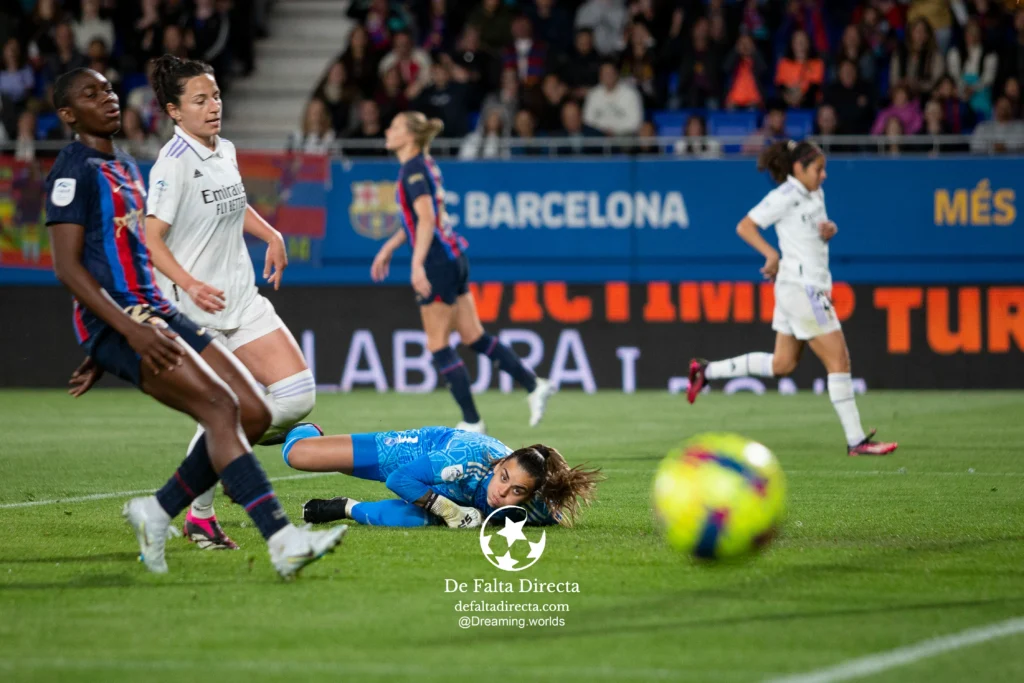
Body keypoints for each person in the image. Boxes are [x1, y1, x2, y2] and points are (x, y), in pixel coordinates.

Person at [45, 68, 345, 577]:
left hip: (160, 310)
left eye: (110, 89)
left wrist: (268, 232)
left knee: (251, 411)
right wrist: (121, 331)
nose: (109, 98)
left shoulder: (123, 167)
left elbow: (132, 255)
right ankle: (276, 537)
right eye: (92, 94)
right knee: (224, 410)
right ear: (69, 115)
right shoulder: (85, 168)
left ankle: (158, 510)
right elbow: (69, 266)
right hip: (156, 315)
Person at [142, 55, 318, 551]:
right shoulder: (172, 164)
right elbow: (151, 238)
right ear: (175, 111)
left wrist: (271, 233)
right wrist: (189, 284)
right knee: (225, 411)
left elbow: (233, 204)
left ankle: (239, 442)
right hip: (195, 314)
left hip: (241, 298)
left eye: (215, 95)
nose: (213, 106)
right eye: (200, 100)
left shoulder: (225, 150)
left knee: (299, 394)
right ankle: (199, 515)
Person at [686, 140, 898, 457]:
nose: (824, 175)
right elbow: (745, 226)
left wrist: (826, 231)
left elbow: (807, 232)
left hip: (796, 286)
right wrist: (770, 253)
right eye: (818, 169)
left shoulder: (814, 193)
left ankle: (705, 371)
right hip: (802, 287)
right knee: (839, 360)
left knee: (782, 364)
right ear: (798, 168)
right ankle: (857, 441)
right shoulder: (784, 195)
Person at [372, 111, 557, 433]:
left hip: (437, 262)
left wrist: (416, 264)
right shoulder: (425, 165)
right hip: (454, 256)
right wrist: (390, 247)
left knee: (438, 344)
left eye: (395, 126)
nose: (388, 130)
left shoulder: (412, 170)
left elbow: (427, 219)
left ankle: (472, 420)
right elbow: (421, 220)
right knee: (473, 336)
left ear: (410, 136)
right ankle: (534, 384)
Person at [284, 425, 601, 529]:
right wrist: (451, 510)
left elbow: (556, 503)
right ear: (498, 464)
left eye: (517, 489)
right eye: (503, 477)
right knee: (297, 455)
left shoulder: (536, 510)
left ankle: (345, 508)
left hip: (439, 492)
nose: (502, 493)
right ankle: (308, 429)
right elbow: (399, 479)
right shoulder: (465, 457)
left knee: (421, 522)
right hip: (415, 456)